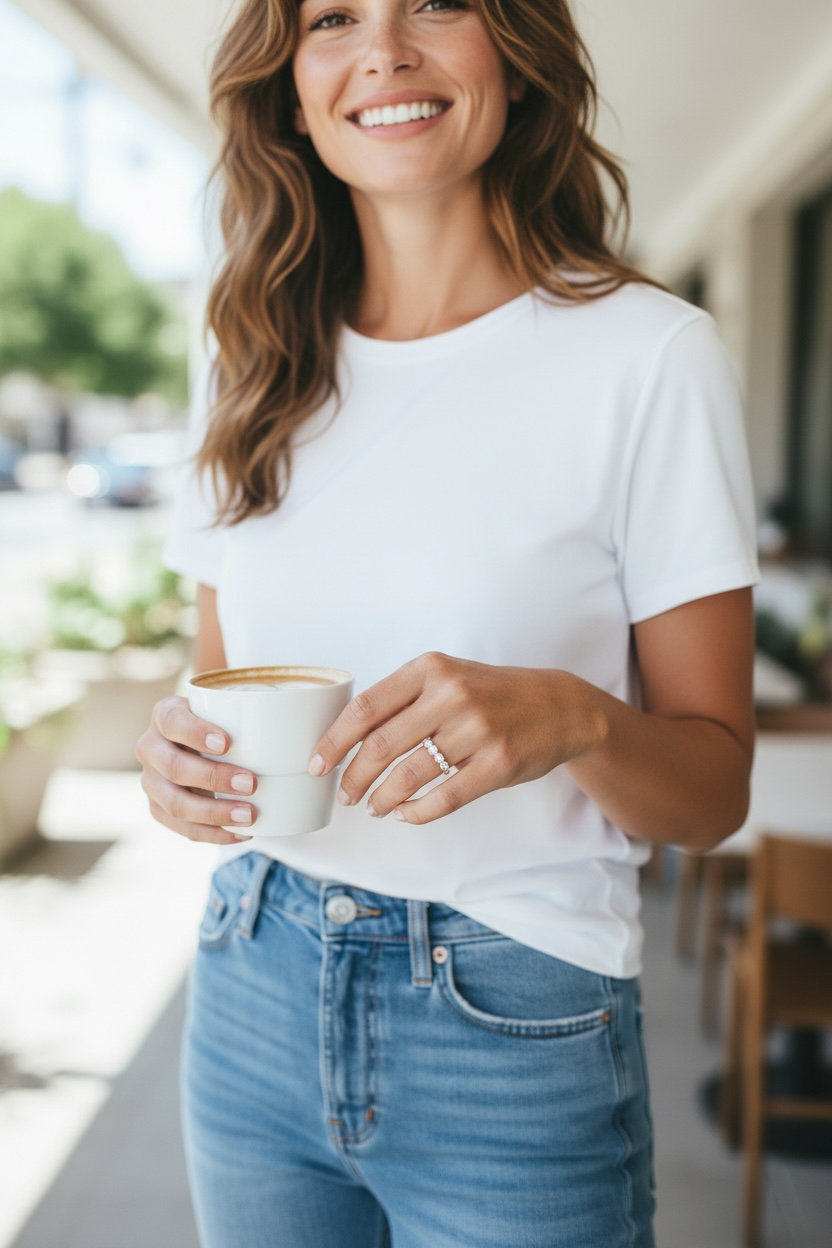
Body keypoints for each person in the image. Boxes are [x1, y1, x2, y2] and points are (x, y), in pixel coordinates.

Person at [136, 0, 759, 1244]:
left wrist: (577, 718)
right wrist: (177, 761)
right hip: (255, 971)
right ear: (292, 90)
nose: (385, 51)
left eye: (435, 3)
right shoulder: (246, 350)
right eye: (334, 16)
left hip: (513, 1020)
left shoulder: (648, 357)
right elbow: (218, 683)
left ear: (515, 58)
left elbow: (710, 797)